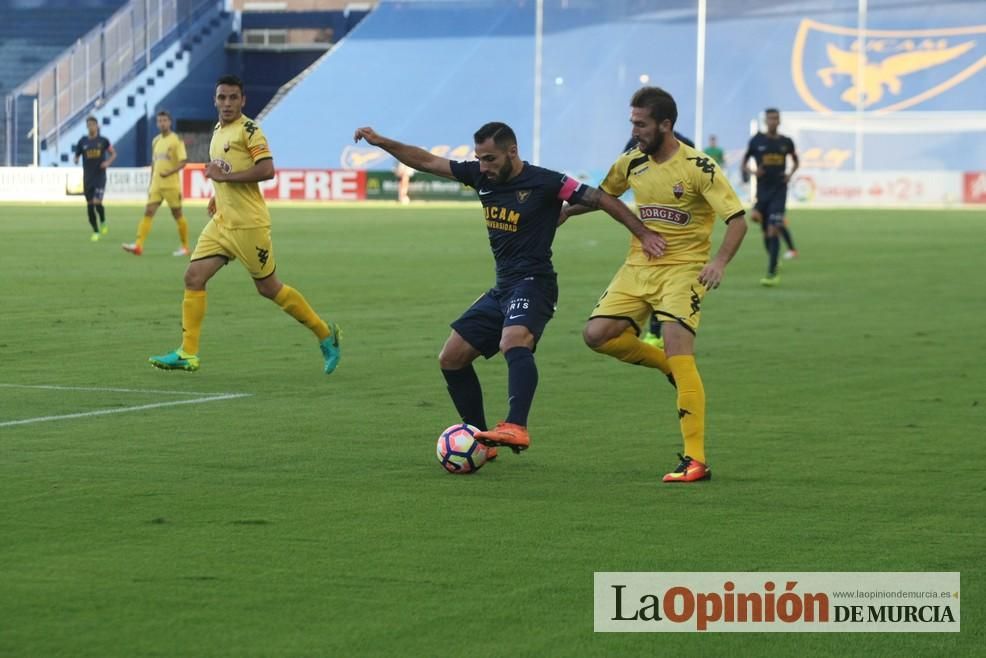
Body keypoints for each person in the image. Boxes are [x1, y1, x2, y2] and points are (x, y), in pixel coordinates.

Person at [353, 121, 665, 457]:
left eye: (489, 159)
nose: (483, 167)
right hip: (503, 288)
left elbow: (602, 198)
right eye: (479, 159)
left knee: (513, 341)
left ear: (512, 152)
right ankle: (481, 440)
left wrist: (643, 234)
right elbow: (428, 161)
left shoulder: (547, 182)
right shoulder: (480, 176)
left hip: (536, 284)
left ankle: (516, 425)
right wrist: (382, 142)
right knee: (451, 358)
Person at [562, 86, 747, 483]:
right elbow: (601, 196)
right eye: (633, 123)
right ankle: (667, 366)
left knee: (680, 345)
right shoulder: (630, 162)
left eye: (641, 124)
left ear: (666, 125)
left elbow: (737, 219)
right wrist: (563, 214)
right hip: (639, 266)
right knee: (596, 335)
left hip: (684, 270)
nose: (635, 130)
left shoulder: (700, 167)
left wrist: (719, 261)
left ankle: (695, 459)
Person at [149, 75, 341, 374]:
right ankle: (188, 352)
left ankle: (325, 335)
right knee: (193, 277)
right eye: (222, 98)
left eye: (233, 98)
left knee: (269, 288)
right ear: (215, 100)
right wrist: (218, 197)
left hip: (249, 225)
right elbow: (225, 171)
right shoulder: (217, 130)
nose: (227, 103)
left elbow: (267, 170)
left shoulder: (250, 130)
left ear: (243, 100)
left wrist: (224, 179)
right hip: (223, 222)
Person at [743, 108, 799, 285]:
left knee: (773, 229)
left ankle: (772, 273)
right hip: (762, 191)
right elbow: (744, 162)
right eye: (770, 119)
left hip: (779, 191)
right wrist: (753, 171)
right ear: (766, 121)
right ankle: (774, 259)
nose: (773, 121)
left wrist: (790, 174)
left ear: (779, 121)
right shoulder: (757, 141)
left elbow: (796, 160)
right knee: (759, 223)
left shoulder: (786, 142)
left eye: (776, 118)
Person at [123, 110, 190, 256]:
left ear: (170, 122)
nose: (162, 123)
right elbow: (154, 163)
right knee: (148, 211)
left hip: (171, 185)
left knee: (177, 215)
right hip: (156, 185)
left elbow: (183, 162)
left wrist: (169, 172)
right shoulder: (156, 141)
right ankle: (138, 245)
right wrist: (151, 182)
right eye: (159, 121)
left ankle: (185, 247)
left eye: (165, 120)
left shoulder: (176, 140)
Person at [73, 116, 116, 242]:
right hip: (88, 178)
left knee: (97, 202)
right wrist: (75, 159)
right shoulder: (83, 142)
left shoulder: (103, 141)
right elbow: (77, 155)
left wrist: (108, 162)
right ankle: (96, 231)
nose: (91, 127)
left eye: (93, 124)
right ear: (87, 126)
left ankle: (103, 221)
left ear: (97, 126)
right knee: (90, 205)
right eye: (89, 124)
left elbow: (113, 153)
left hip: (100, 177)